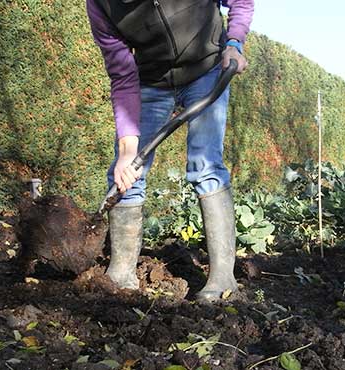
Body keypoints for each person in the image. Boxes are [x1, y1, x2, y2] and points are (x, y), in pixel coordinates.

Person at [86, 0, 254, 302]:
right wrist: (128, 148)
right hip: (150, 81)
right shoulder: (101, 4)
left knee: (206, 165)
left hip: (207, 68)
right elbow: (122, 74)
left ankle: (222, 279)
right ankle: (121, 273)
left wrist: (234, 42)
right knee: (127, 171)